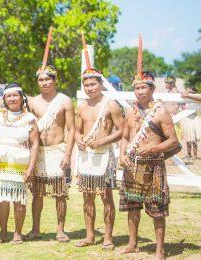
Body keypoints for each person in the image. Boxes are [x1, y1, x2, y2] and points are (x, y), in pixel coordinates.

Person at [119, 37, 179, 259]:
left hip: (153, 166)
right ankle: (133, 243)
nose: (140, 91)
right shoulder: (130, 111)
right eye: (136, 87)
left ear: (152, 88)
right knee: (132, 207)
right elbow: (125, 137)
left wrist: (153, 150)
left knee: (157, 210)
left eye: (144, 87)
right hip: (132, 166)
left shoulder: (161, 112)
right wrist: (122, 155)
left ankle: (159, 249)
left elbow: (173, 141)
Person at [75, 39, 124, 249]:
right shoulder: (82, 105)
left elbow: (122, 131)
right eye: (86, 84)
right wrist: (78, 139)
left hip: (104, 155)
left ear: (101, 84)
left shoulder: (111, 104)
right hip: (86, 156)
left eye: (93, 84)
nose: (89, 87)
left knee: (106, 197)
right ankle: (89, 235)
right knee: (87, 198)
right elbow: (77, 129)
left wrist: (103, 140)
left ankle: (108, 237)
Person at [26, 65, 75, 242]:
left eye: (48, 79)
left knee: (60, 193)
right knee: (37, 193)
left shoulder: (65, 101)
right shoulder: (32, 102)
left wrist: (68, 154)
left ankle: (60, 230)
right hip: (39, 151)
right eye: (41, 79)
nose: (45, 82)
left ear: (55, 80)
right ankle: (35, 229)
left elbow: (71, 128)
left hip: (58, 150)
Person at [0, 83, 39, 245]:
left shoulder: (30, 118)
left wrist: (31, 168)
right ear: (4, 98)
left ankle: (17, 234)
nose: (12, 98)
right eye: (8, 96)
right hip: (1, 163)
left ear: (22, 97)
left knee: (19, 199)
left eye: (15, 95)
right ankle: (3, 233)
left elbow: (34, 145)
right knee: (3, 199)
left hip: (21, 163)